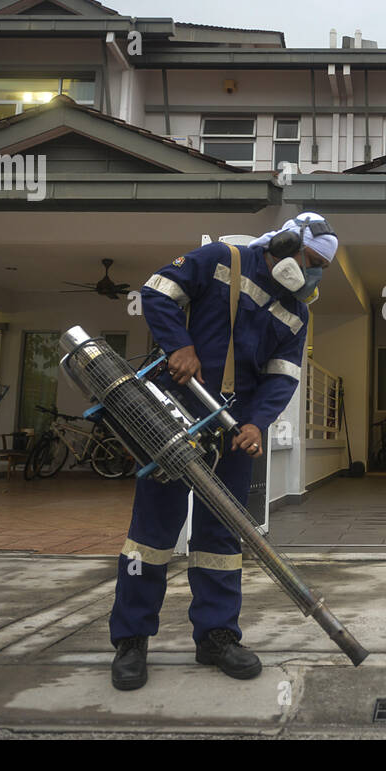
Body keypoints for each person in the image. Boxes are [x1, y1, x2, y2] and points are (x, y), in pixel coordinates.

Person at [109, 212, 338, 690]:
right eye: (311, 262)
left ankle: (216, 636)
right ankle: (131, 642)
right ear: (287, 246)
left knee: (222, 537)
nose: (313, 274)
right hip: (175, 414)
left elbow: (283, 375)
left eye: (321, 268)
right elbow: (157, 292)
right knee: (151, 533)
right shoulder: (220, 260)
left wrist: (258, 423)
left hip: (231, 431)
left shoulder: (297, 311)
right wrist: (179, 345)